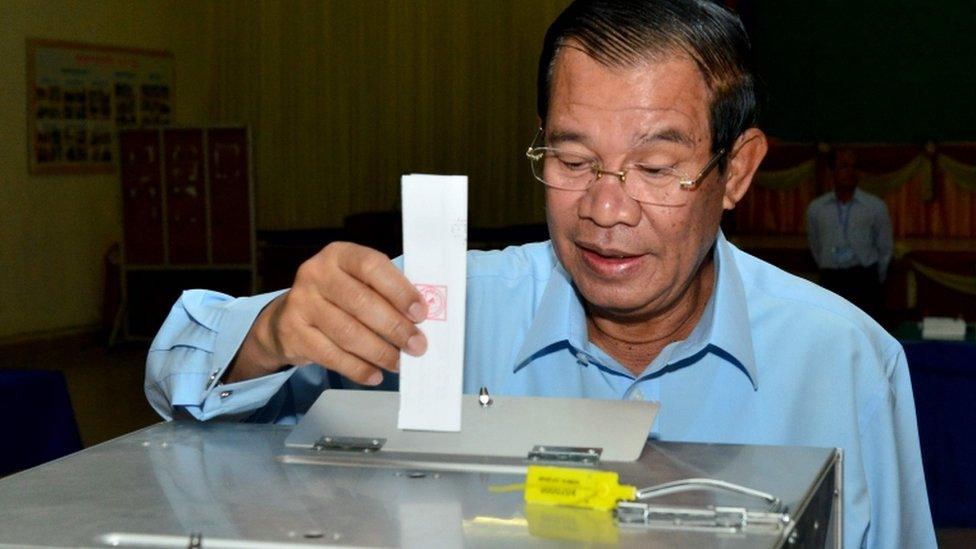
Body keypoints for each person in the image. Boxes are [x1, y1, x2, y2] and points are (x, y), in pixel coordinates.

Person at [146, 1, 935, 546]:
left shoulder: (846, 360)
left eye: (656, 167)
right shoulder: (443, 305)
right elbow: (176, 363)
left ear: (737, 171)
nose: (605, 208)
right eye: (571, 159)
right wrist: (275, 329)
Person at [806, 148, 894, 321]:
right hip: (831, 279)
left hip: (865, 279)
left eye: (854, 167)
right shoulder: (816, 209)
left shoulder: (875, 206)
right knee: (831, 329)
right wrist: (829, 267)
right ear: (832, 171)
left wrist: (875, 278)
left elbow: (885, 247)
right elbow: (815, 246)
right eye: (844, 167)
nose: (850, 172)